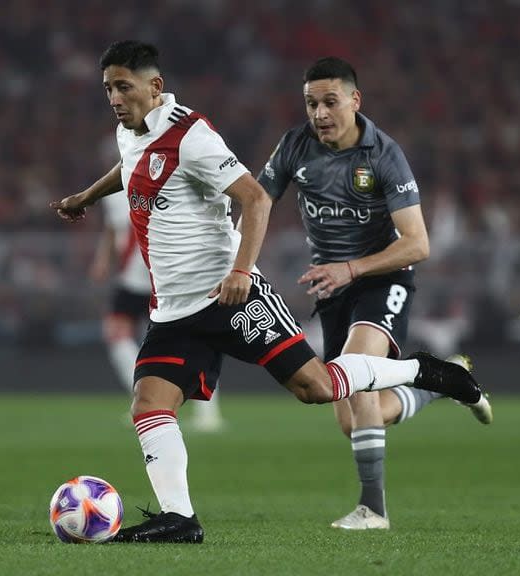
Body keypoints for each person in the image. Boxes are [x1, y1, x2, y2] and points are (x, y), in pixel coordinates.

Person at [50, 41, 482, 544]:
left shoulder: (193, 136)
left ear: (155, 87)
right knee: (149, 403)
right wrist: (86, 196)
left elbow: (255, 198)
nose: (115, 99)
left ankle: (425, 371)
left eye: (123, 87)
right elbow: (131, 167)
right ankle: (180, 520)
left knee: (316, 389)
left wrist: (241, 269)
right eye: (108, 89)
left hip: (229, 295)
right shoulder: (131, 133)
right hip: (173, 308)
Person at [256, 56, 493, 530]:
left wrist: (351, 268)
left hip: (383, 279)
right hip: (333, 289)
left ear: (354, 100)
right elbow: (259, 199)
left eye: (329, 102)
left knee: (359, 374)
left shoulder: (383, 154)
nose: (319, 113)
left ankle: (373, 509)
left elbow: (418, 243)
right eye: (310, 104)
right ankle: (444, 380)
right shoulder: (295, 146)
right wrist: (237, 260)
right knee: (356, 417)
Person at [92, 192, 224, 431]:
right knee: (119, 335)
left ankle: (204, 412)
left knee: (194, 341)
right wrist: (103, 258)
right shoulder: (115, 192)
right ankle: (149, 401)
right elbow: (113, 228)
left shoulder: (161, 178)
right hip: (136, 281)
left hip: (165, 279)